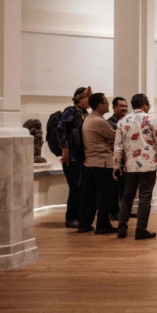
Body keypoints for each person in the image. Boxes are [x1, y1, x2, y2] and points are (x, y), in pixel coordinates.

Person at [113, 93, 157, 240]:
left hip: (130, 166)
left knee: (127, 198)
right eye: (148, 104)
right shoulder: (151, 119)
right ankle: (140, 229)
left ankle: (122, 228)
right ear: (144, 105)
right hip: (148, 165)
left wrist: (116, 165)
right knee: (145, 197)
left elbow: (118, 146)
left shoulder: (122, 121)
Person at [78, 92, 118, 235]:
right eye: (107, 102)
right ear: (100, 105)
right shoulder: (99, 121)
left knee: (89, 196)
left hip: (90, 162)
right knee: (104, 196)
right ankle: (102, 225)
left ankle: (84, 224)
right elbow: (114, 136)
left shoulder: (89, 118)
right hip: (102, 163)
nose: (109, 105)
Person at [56, 87, 91, 228]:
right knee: (75, 187)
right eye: (88, 97)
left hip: (81, 157)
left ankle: (79, 216)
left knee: (81, 187)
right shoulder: (70, 111)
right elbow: (60, 129)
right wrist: (65, 149)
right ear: (79, 98)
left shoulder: (85, 113)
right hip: (71, 158)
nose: (90, 100)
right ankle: (71, 217)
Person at [107, 96, 130, 220]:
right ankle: (114, 212)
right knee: (115, 189)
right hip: (115, 161)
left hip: (127, 161)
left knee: (125, 189)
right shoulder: (109, 123)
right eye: (121, 106)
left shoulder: (128, 121)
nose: (124, 108)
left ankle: (125, 211)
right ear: (114, 107)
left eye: (126, 106)